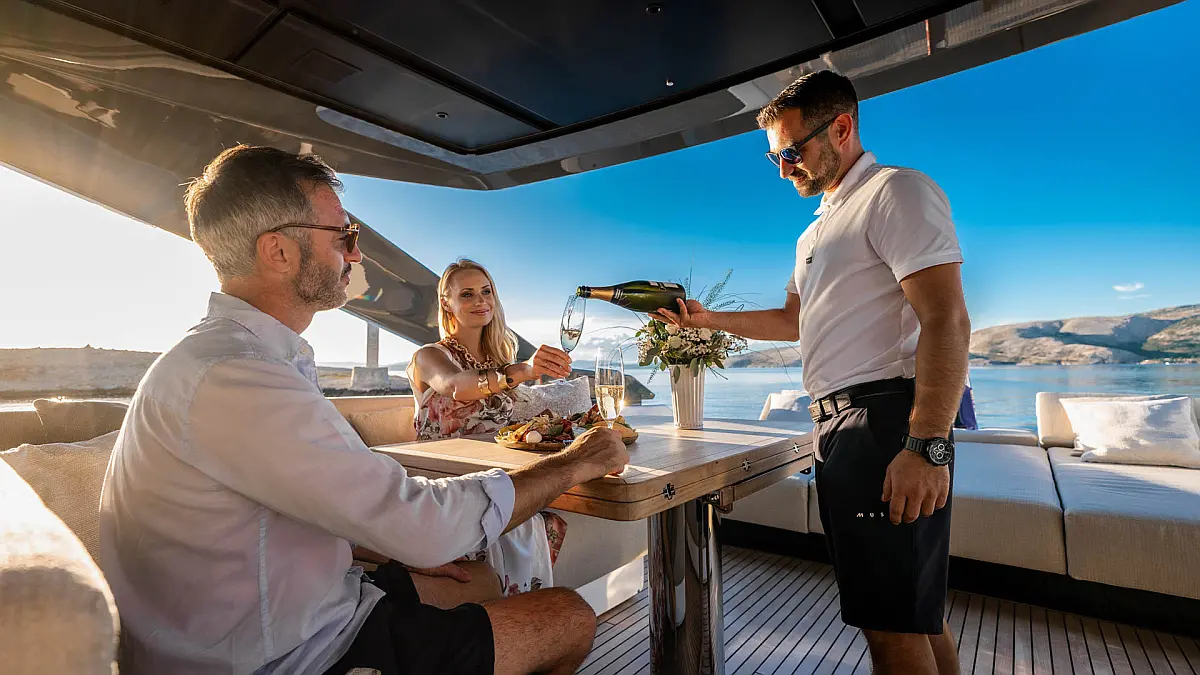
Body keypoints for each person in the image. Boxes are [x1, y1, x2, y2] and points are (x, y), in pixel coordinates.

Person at [98, 144, 628, 675]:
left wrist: (381, 551)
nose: (355, 255)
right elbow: (422, 521)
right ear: (278, 251)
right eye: (344, 237)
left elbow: (288, 513)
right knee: (568, 617)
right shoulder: (238, 376)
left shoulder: (242, 361)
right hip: (288, 654)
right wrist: (573, 463)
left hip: (306, 602)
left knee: (483, 581)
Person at [657, 70, 971, 675]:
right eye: (775, 157)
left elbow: (947, 319)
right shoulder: (816, 230)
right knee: (911, 614)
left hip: (886, 423)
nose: (783, 169)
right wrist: (707, 320)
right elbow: (791, 321)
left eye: (791, 151)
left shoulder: (895, 192)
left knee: (892, 629)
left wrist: (927, 445)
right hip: (839, 429)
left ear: (842, 128)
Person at [405, 258, 574, 596]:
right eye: (467, 294)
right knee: (521, 521)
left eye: (486, 292)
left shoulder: (497, 362)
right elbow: (455, 385)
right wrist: (523, 371)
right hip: (444, 481)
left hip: (497, 475)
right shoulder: (429, 356)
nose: (480, 301)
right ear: (446, 303)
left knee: (545, 507)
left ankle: (521, 616)